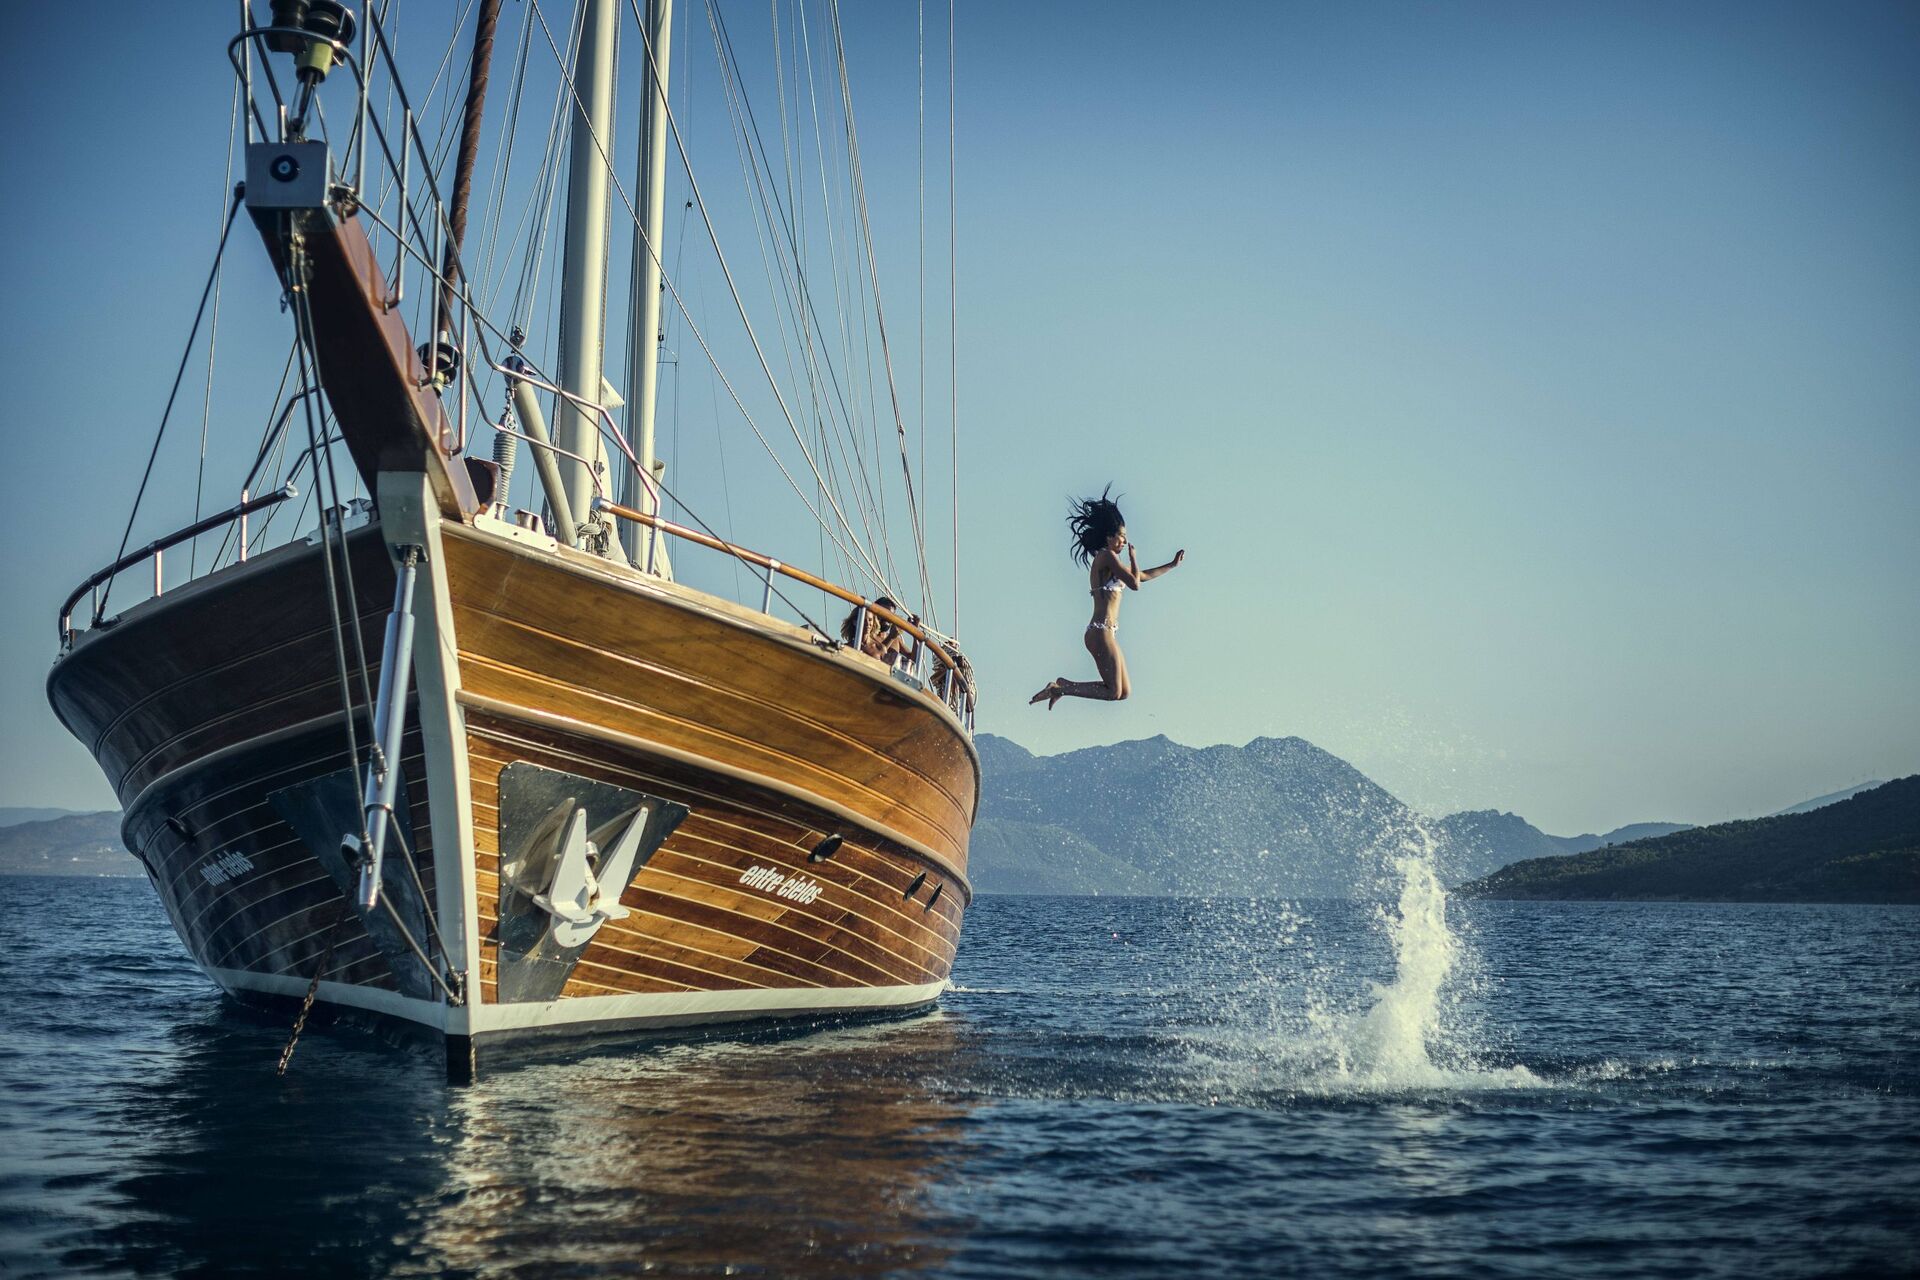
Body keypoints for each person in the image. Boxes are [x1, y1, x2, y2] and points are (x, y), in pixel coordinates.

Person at [1029, 486, 1184, 709]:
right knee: (1113, 691)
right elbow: (1134, 584)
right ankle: (1059, 688)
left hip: (1108, 632)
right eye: (1121, 537)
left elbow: (1142, 576)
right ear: (1109, 537)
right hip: (1099, 631)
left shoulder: (1113, 563)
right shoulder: (1106, 556)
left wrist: (1171, 565)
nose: (1124, 542)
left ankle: (1063, 685)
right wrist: (1133, 558)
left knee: (1123, 692)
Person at [842, 595, 921, 668]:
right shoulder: (866, 635)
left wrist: (915, 633)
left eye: (890, 616)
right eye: (884, 614)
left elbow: (913, 660)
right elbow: (874, 655)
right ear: (874, 613)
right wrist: (891, 637)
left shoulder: (896, 640)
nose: (887, 619)